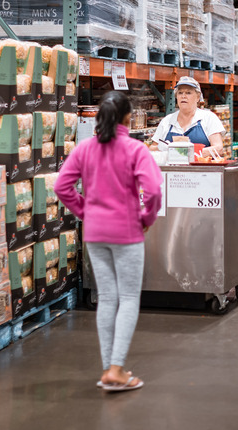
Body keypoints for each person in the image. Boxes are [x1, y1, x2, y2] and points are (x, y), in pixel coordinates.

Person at [55, 91, 163, 392]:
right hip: (127, 231)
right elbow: (153, 190)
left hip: (95, 232)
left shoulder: (85, 148)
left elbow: (62, 186)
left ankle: (108, 369)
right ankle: (116, 369)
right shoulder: (135, 149)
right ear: (128, 117)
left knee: (108, 297)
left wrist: (84, 210)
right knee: (128, 297)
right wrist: (145, 218)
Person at [152, 76, 226, 157]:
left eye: (188, 93)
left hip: (200, 169)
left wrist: (186, 153)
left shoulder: (208, 118)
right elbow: (152, 148)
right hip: (173, 169)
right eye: (180, 93)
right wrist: (165, 148)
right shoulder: (167, 121)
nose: (183, 96)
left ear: (198, 97)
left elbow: (218, 149)